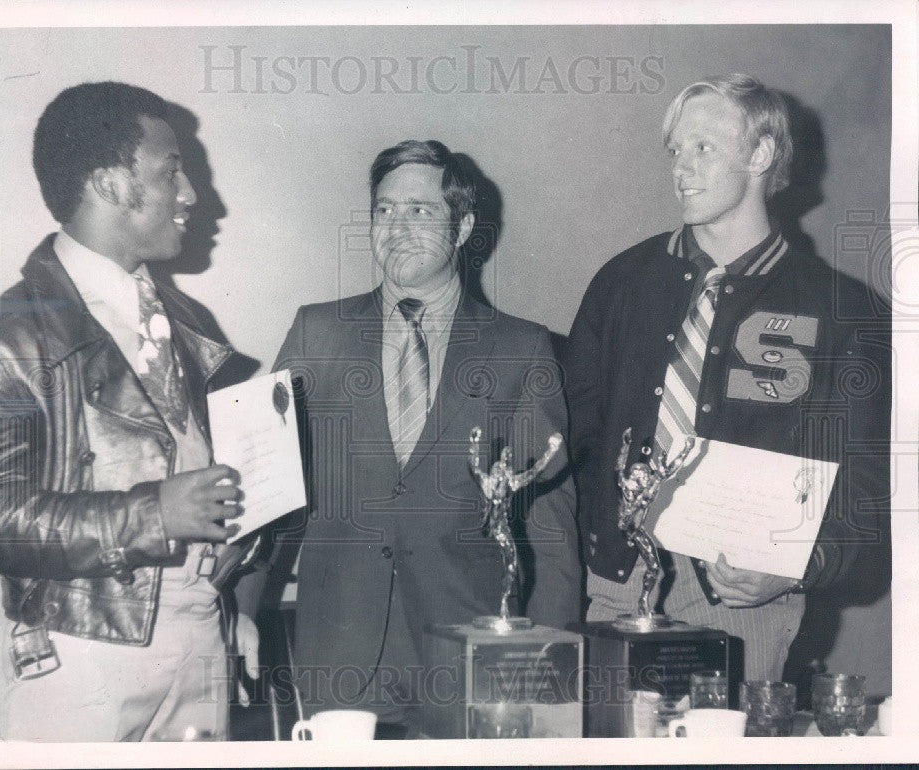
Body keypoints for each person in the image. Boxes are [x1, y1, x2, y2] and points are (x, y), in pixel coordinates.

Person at [0, 81, 260, 741]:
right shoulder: (2, 333)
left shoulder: (187, 319)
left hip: (204, 626)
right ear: (108, 183)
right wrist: (155, 514)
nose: (191, 194)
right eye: (172, 168)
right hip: (84, 648)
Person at [562, 74, 890, 681]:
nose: (681, 168)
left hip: (742, 595)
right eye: (675, 151)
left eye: (704, 148)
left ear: (761, 155)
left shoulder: (844, 311)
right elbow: (570, 436)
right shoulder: (623, 282)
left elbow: (869, 488)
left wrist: (798, 566)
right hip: (613, 578)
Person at [258, 140, 580, 735]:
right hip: (340, 648)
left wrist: (547, 665)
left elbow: (549, 529)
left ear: (462, 228)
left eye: (420, 211)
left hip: (471, 647)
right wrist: (242, 607)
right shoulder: (318, 331)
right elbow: (271, 496)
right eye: (384, 210)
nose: (396, 228)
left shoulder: (522, 348)